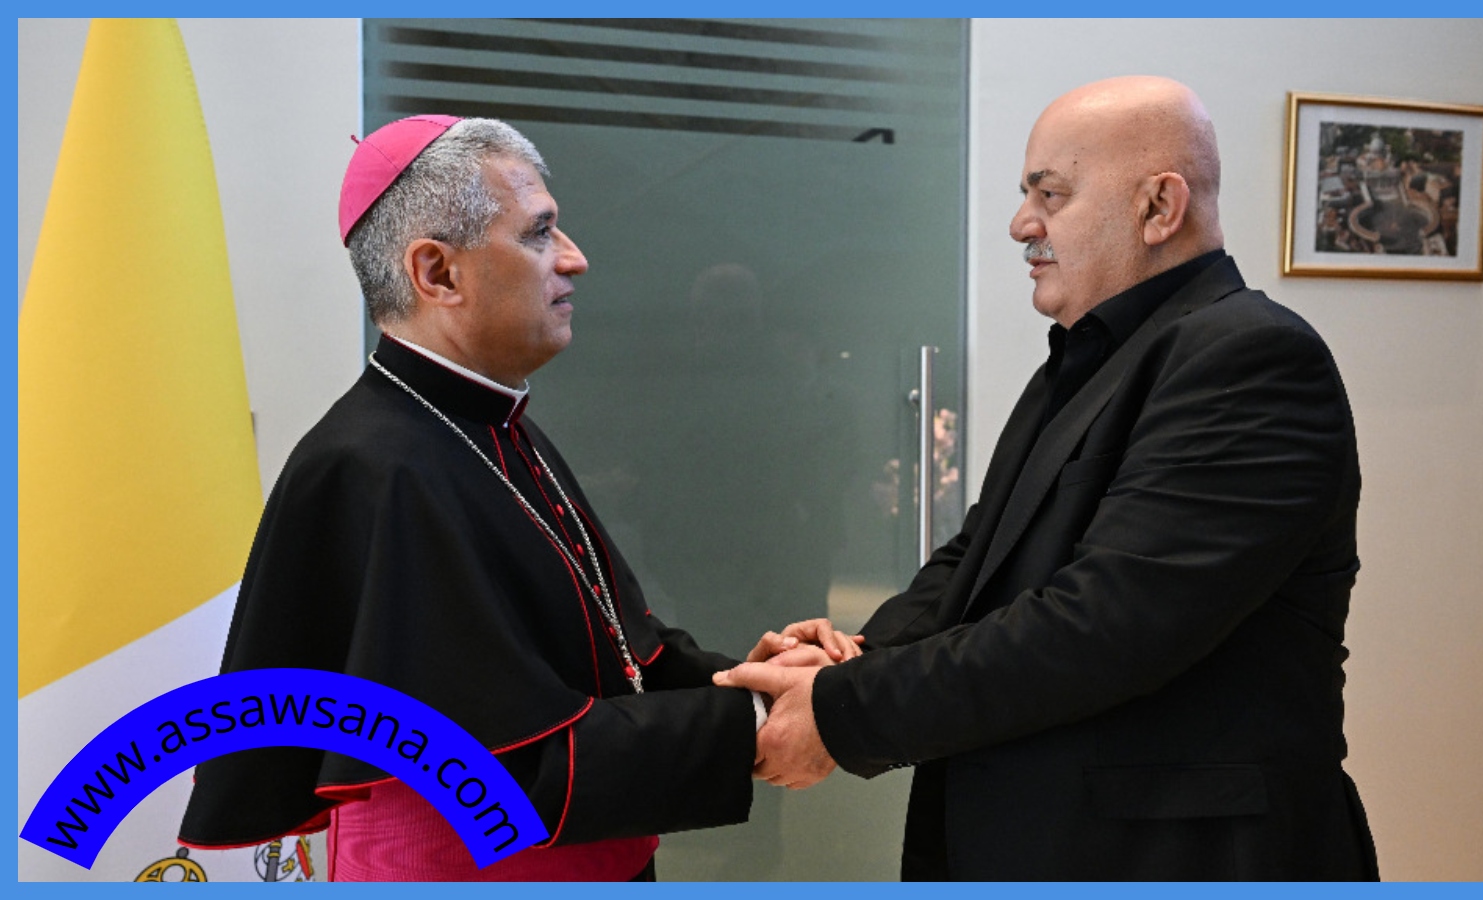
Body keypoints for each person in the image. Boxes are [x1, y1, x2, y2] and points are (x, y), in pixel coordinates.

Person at [721, 76, 1380, 880]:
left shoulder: (1252, 358)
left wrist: (842, 711)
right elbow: (978, 560)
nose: (1021, 224)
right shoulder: (1088, 355)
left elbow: (1105, 625)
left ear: (1158, 207)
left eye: (1050, 194)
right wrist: (855, 654)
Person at [178, 115, 797, 881]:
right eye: (539, 232)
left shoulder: (497, 425)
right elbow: (498, 756)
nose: (574, 257)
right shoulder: (375, 468)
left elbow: (610, 642)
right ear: (437, 273)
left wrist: (741, 681)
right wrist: (758, 720)